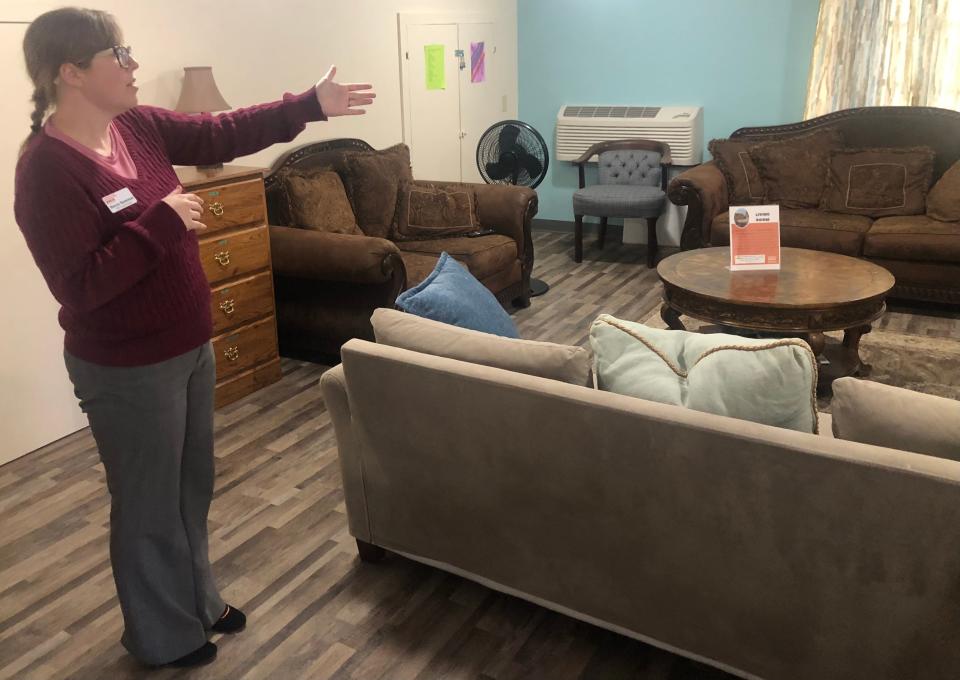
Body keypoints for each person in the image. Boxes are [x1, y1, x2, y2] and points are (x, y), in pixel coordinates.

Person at [14, 7, 375, 669]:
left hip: (187, 346)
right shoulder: (45, 171)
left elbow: (220, 132)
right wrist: (158, 225)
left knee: (190, 490)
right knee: (147, 504)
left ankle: (198, 601)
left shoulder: (137, 126)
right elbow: (81, 287)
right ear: (70, 72)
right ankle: (161, 635)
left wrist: (308, 105)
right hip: (125, 369)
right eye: (116, 55)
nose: (133, 65)